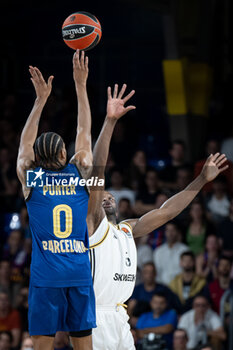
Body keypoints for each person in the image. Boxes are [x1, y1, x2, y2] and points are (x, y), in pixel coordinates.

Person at [85, 80, 228, 348]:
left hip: (120, 315)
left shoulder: (127, 229)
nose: (107, 196)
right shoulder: (93, 226)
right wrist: (110, 122)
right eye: (101, 193)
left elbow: (167, 212)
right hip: (96, 317)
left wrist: (200, 180)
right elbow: (97, 171)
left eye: (110, 195)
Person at [16, 50, 96, 350]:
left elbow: (24, 147)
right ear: (65, 154)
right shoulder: (81, 173)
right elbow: (84, 132)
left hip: (45, 277)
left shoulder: (31, 179)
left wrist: (39, 101)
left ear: (38, 158)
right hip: (77, 273)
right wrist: (80, 84)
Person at [128, 262, 181, 327]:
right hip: (140, 322)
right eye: (146, 272)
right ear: (142, 274)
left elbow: (174, 309)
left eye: (151, 272)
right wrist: (130, 319)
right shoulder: (137, 289)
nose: (149, 275)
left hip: (160, 322)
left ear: (155, 274)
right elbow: (130, 308)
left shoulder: (164, 289)